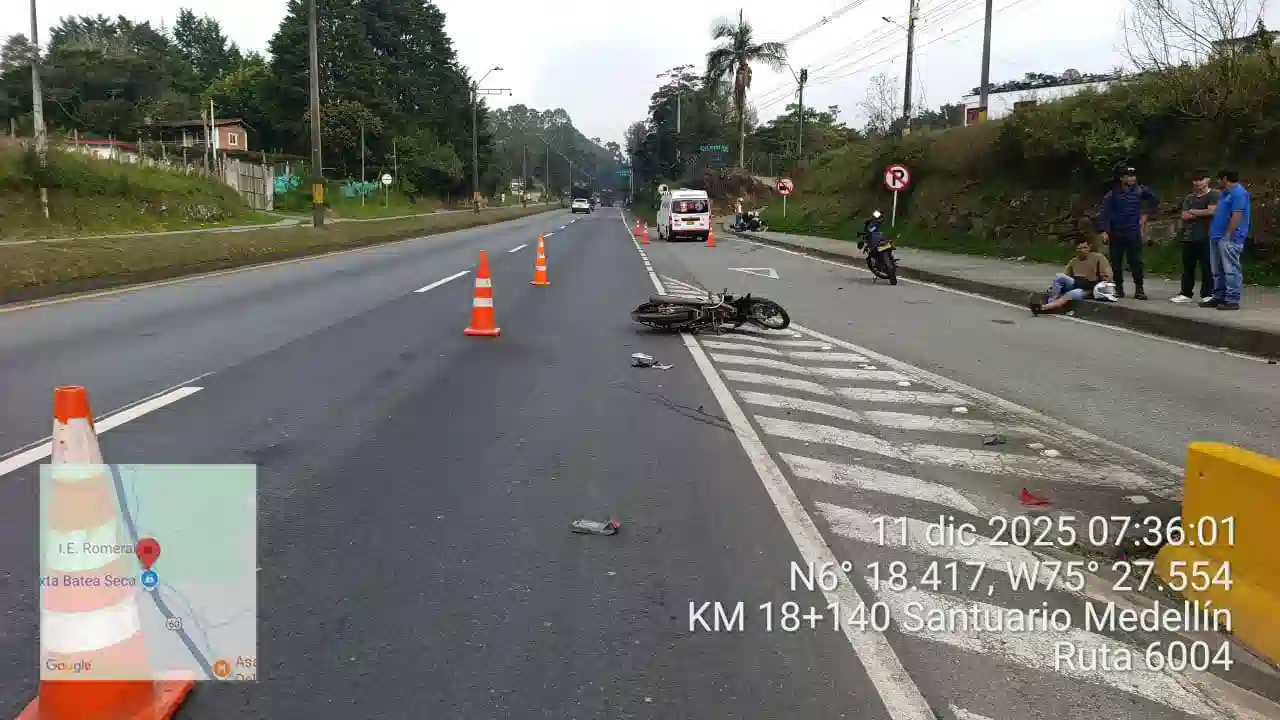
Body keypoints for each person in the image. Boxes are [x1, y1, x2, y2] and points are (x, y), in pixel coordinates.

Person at [1097, 165, 1159, 300]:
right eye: (1128, 176)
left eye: (1133, 176)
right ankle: (1118, 289)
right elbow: (1104, 212)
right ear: (1121, 178)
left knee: (1136, 261)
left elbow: (1154, 201)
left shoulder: (1140, 190)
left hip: (1133, 231)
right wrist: (1103, 230)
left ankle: (1139, 289)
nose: (1131, 178)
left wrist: (1146, 215)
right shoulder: (1112, 194)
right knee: (1116, 262)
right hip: (1116, 232)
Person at [1205, 168, 1251, 310]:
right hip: (1216, 236)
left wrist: (1228, 234)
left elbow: (1237, 215)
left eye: (1219, 179)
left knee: (1230, 269)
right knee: (1217, 270)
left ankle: (1232, 299)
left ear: (1225, 179)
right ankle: (1219, 296)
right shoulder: (1225, 193)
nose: (1217, 182)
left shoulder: (1239, 193)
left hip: (1230, 238)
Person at [1029, 239, 1114, 315]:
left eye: (1085, 248)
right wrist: (1053, 287)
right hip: (1076, 282)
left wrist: (1105, 284)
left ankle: (1043, 308)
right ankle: (1051, 302)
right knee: (1060, 277)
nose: (1082, 251)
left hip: (1089, 288)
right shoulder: (1074, 261)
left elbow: (1107, 275)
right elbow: (1066, 275)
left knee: (1071, 294)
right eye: (1079, 248)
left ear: (1089, 247)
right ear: (1076, 249)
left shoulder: (1098, 258)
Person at [1171, 169, 1219, 303]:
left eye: (1201, 179)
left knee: (1207, 266)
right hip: (1189, 236)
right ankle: (1186, 293)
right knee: (1188, 267)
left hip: (1207, 235)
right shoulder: (1189, 197)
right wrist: (1201, 212)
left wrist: (1194, 211)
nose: (1198, 182)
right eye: (1196, 180)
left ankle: (1207, 294)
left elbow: (1212, 211)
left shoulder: (1214, 194)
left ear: (1208, 180)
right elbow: (1184, 215)